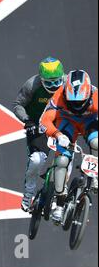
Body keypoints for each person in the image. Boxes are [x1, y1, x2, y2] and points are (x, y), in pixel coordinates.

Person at [40, 69, 98, 223]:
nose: (77, 106)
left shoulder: (96, 96)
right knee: (62, 161)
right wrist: (58, 135)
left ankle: (96, 174)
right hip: (67, 123)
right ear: (65, 93)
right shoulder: (58, 95)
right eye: (72, 102)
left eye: (80, 102)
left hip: (89, 123)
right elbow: (44, 121)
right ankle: (59, 204)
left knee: (96, 143)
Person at [12, 57, 65, 212]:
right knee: (36, 160)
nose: (54, 86)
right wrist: (27, 120)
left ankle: (60, 197)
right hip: (38, 126)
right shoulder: (31, 85)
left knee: (64, 161)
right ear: (41, 80)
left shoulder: (68, 83)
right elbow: (18, 105)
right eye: (49, 83)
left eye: (57, 82)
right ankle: (29, 192)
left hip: (62, 127)